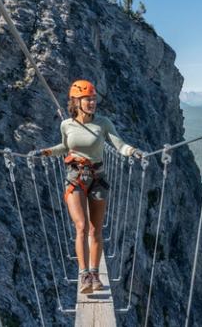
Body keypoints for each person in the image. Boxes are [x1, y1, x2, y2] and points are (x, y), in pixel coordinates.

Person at [36, 79, 142, 294]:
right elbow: (65, 147)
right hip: (74, 177)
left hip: (97, 178)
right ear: (76, 101)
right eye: (87, 99)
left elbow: (118, 144)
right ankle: (84, 275)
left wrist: (133, 152)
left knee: (95, 230)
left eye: (93, 99)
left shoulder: (103, 123)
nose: (92, 102)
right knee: (81, 226)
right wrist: (49, 151)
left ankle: (95, 273)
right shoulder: (66, 125)